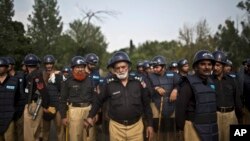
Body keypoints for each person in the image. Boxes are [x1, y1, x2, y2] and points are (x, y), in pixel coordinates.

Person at [85, 51, 154, 141]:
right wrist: (91, 116)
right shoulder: (108, 83)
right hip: (116, 128)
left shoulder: (139, 82)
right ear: (114, 69)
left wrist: (150, 125)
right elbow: (98, 100)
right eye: (118, 68)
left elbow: (146, 105)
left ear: (128, 67)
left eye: (123, 67)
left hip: (136, 127)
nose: (121, 70)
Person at [176, 50, 218, 141]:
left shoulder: (211, 83)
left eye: (209, 64)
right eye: (203, 64)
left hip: (210, 128)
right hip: (193, 128)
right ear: (195, 67)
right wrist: (180, 129)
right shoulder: (188, 84)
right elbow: (180, 109)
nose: (207, 67)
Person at [60, 56, 96, 141]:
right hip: (74, 111)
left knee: (89, 137)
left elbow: (94, 98)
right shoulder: (67, 81)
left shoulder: (90, 80)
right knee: (75, 137)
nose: (80, 69)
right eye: (77, 67)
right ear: (73, 68)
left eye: (82, 67)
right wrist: (63, 116)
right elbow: (62, 100)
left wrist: (95, 113)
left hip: (88, 111)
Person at [212, 51, 242, 141]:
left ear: (224, 66)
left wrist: (239, 117)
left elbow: (237, 100)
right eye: (213, 65)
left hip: (231, 116)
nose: (215, 68)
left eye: (218, 65)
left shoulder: (232, 80)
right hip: (215, 117)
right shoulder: (208, 81)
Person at [148, 55, 179, 141]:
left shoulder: (173, 74)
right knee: (158, 132)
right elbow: (147, 87)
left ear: (163, 67)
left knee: (171, 132)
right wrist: (156, 88)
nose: (154, 69)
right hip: (156, 107)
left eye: (157, 67)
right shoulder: (150, 76)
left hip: (172, 106)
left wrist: (176, 90)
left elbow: (181, 84)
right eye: (153, 67)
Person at [23, 54, 49, 141]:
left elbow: (43, 92)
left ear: (27, 66)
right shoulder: (31, 76)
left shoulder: (36, 76)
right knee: (35, 134)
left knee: (29, 134)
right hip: (32, 104)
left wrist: (45, 105)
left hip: (34, 106)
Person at [41, 55, 65, 141]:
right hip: (45, 108)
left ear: (53, 64)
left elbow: (63, 92)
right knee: (45, 132)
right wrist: (43, 107)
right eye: (47, 64)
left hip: (57, 107)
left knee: (60, 131)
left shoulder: (59, 76)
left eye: (50, 63)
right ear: (44, 65)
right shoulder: (41, 76)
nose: (49, 65)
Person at [0, 57, 21, 141]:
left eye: (1, 66)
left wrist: (14, 113)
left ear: (6, 67)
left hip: (9, 119)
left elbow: (18, 99)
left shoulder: (14, 81)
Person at [5, 56, 26, 141]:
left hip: (21, 107)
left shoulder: (21, 75)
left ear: (13, 65)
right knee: (11, 133)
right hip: (10, 108)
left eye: (10, 64)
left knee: (21, 131)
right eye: (7, 64)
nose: (9, 66)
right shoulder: (4, 78)